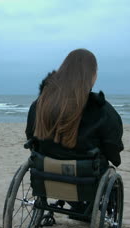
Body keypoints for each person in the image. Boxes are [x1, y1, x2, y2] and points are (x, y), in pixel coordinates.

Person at [25, 48, 124, 212]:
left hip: (46, 171)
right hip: (85, 177)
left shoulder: (41, 104)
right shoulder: (101, 109)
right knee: (107, 170)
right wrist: (114, 159)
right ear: (91, 75)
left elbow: (31, 136)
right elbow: (112, 145)